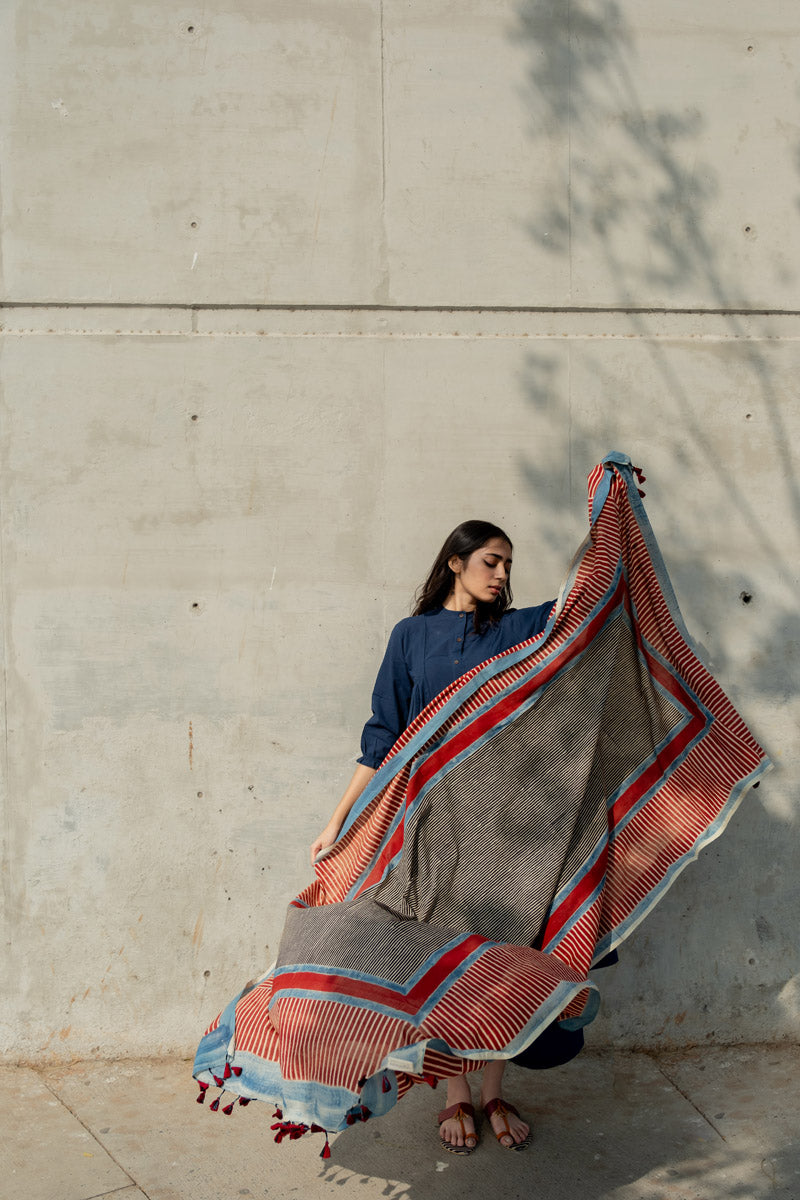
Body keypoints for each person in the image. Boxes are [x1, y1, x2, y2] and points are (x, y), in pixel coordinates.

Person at [310, 520, 555, 1154]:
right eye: (492, 562)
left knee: (501, 950)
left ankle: (494, 1090)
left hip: (505, 817)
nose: (502, 575)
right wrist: (338, 820)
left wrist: (610, 504)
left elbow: (591, 596)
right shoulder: (411, 637)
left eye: (508, 565)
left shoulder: (518, 628)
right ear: (455, 562)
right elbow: (383, 732)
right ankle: (456, 1095)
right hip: (430, 821)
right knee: (441, 951)